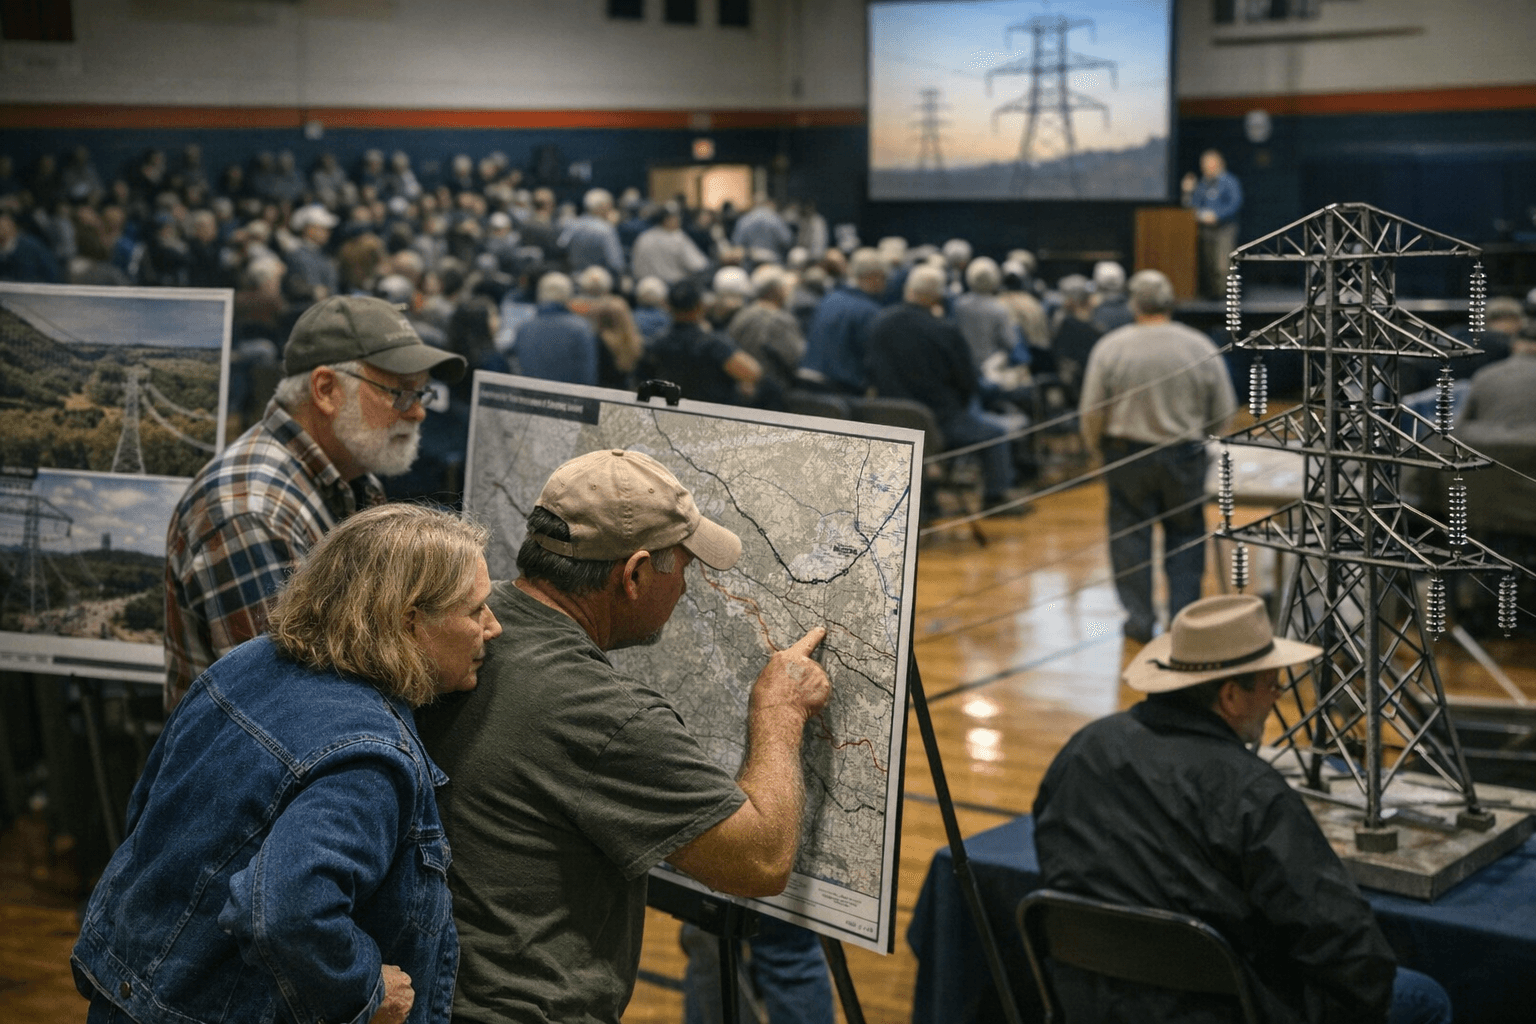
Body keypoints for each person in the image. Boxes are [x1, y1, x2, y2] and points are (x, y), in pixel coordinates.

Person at [417, 448, 832, 1024]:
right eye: (683, 566)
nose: (687, 587)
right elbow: (759, 863)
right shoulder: (604, 714)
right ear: (634, 575)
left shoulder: (466, 628)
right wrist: (779, 713)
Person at [74, 503, 504, 1024]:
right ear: (410, 621)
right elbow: (286, 913)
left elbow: (145, 815)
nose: (493, 627)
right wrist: (366, 988)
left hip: (129, 993)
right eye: (475, 610)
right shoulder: (369, 757)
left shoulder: (244, 663)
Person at [1034, 593, 1453, 1024]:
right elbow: (1340, 942)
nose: (1276, 697)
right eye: (1273, 683)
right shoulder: (1250, 791)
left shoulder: (1085, 748)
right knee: (1422, 997)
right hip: (1220, 1009)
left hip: (1087, 1000)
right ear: (1231, 696)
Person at [163, 294, 467, 709]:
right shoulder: (251, 513)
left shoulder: (349, 471)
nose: (417, 414)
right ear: (326, 390)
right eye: (400, 393)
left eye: (421, 394)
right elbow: (290, 705)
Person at [1079, 269, 1236, 642]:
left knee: (1129, 538)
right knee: (1185, 535)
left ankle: (1138, 621)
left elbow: (1091, 410)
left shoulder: (1111, 346)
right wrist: (1207, 438)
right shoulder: (1198, 345)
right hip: (1184, 455)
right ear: (1170, 302)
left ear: (1134, 303)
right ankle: (1182, 622)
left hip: (1126, 454)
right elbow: (1224, 410)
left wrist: (1096, 448)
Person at [865, 264, 1016, 508]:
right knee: (995, 435)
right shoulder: (944, 330)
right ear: (937, 295)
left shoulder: (879, 323)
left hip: (889, 420)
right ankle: (995, 499)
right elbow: (967, 382)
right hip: (939, 421)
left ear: (908, 289)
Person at [640, 278, 763, 406]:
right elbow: (752, 372)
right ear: (700, 306)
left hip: (670, 414)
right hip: (712, 415)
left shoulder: (657, 344)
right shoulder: (713, 344)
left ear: (668, 306)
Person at [800, 247, 886, 395]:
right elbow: (874, 360)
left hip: (806, 386)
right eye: (884, 277)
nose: (885, 284)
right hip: (841, 391)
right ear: (873, 276)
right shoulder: (871, 311)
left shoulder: (828, 298)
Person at [512, 271, 600, 386]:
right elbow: (587, 376)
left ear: (540, 294)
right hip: (569, 401)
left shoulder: (523, 329)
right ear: (569, 295)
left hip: (531, 398)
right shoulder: (581, 329)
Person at [1183, 148, 1244, 300]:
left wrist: (1217, 215)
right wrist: (1188, 192)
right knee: (1208, 265)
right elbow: (1193, 206)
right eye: (1203, 164)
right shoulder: (1203, 183)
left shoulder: (1230, 181)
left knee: (1223, 266)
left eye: (1208, 164)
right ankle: (1213, 297)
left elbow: (1235, 203)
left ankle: (1226, 300)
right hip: (1205, 229)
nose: (1205, 167)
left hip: (1225, 228)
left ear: (1218, 164)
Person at [631, 203, 710, 284]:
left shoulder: (643, 237)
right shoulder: (676, 237)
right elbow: (699, 266)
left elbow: (635, 269)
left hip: (643, 286)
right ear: (666, 220)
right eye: (675, 217)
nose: (679, 220)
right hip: (674, 289)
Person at [558, 187, 626, 276]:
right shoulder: (606, 230)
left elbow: (561, 247)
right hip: (599, 282)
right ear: (603, 207)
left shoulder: (572, 226)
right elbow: (616, 264)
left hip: (575, 278)